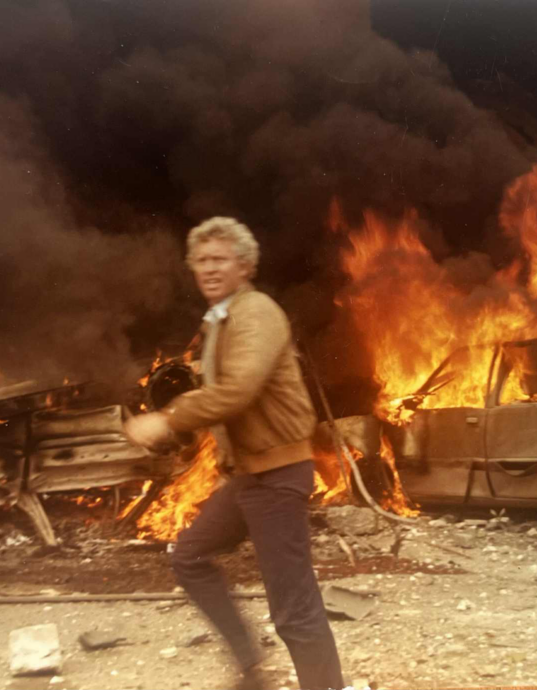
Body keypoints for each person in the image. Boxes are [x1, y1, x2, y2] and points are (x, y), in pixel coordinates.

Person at [124, 217, 343, 690]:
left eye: (220, 259)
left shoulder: (255, 312)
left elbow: (238, 390)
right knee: (189, 557)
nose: (209, 268)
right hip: (249, 476)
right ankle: (252, 667)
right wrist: (186, 437)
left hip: (278, 473)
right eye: (201, 260)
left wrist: (168, 418)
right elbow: (224, 401)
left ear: (245, 266)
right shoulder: (220, 320)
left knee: (293, 608)